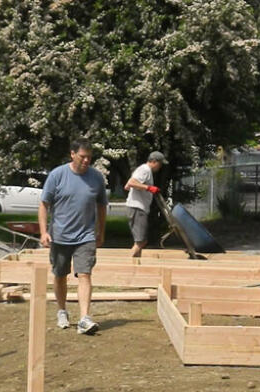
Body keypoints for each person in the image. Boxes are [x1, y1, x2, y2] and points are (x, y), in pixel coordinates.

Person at [39, 138, 108, 334]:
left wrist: (100, 231)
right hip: (60, 235)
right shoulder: (57, 175)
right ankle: (62, 310)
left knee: (85, 274)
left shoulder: (96, 178)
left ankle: (84, 318)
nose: (86, 161)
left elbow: (102, 206)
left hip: (86, 236)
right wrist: (44, 232)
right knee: (60, 275)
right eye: (82, 157)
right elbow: (44, 205)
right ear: (72, 154)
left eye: (89, 157)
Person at [123, 151, 167, 257]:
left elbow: (127, 186)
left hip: (136, 207)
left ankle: (136, 265)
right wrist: (148, 188)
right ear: (154, 161)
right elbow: (131, 183)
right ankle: (128, 264)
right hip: (137, 208)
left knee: (139, 241)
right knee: (141, 241)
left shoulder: (143, 170)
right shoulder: (145, 170)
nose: (160, 167)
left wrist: (143, 188)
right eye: (160, 164)